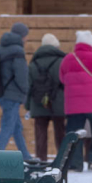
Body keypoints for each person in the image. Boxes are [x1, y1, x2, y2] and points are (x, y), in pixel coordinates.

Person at [60, 30, 92, 172]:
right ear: (91, 44)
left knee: (74, 134)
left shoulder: (67, 59)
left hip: (73, 106)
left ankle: (75, 164)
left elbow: (62, 79)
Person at [0, 22, 32, 160]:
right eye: (26, 36)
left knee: (16, 128)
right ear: (22, 36)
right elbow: (21, 76)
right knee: (8, 126)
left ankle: (26, 156)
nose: (27, 39)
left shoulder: (1, 48)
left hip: (2, 93)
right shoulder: (17, 51)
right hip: (13, 94)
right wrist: (25, 92)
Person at [25, 33, 66, 162]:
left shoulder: (33, 63)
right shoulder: (62, 62)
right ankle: (61, 160)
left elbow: (28, 87)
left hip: (38, 102)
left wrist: (28, 105)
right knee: (61, 133)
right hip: (58, 102)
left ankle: (41, 160)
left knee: (40, 134)